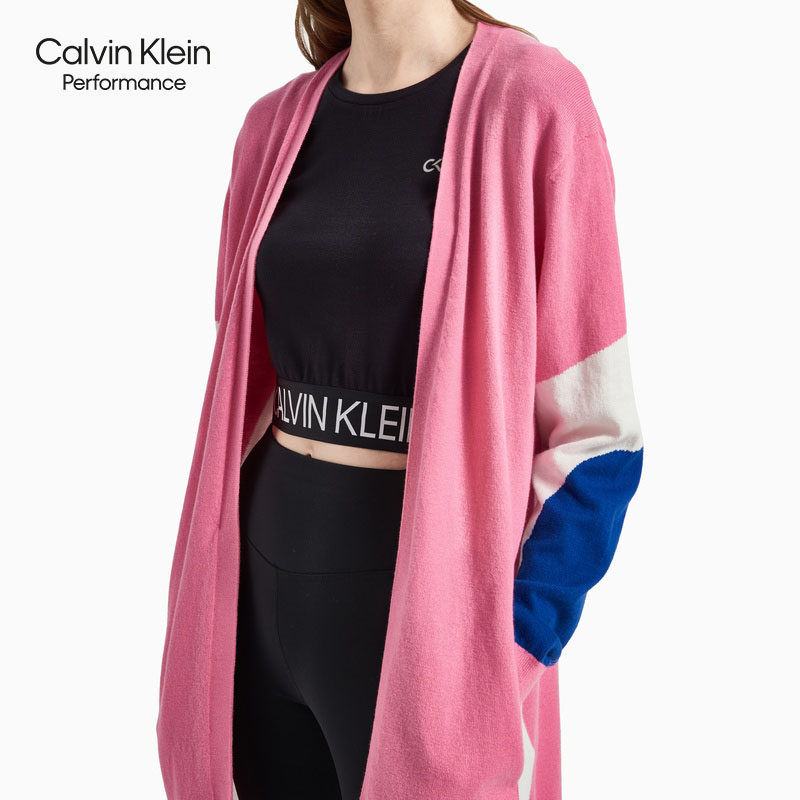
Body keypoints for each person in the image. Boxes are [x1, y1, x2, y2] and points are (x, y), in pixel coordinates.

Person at [156, 3, 645, 799]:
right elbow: (241, 387)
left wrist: (512, 644)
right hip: (257, 591)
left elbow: (600, 438)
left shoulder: (532, 100)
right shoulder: (269, 127)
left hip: (428, 620)